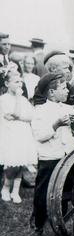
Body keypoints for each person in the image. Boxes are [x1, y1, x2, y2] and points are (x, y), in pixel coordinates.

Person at [24, 73, 74, 236]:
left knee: (62, 194)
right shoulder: (39, 111)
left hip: (67, 157)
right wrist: (56, 125)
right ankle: (37, 228)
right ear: (52, 93)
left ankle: (58, 227)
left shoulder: (68, 108)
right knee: (42, 195)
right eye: (63, 88)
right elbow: (40, 135)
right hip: (50, 158)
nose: (67, 90)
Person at [0, 70, 37, 203]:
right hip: (10, 135)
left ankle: (15, 191)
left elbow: (30, 117)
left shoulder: (23, 99)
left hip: (23, 133)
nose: (19, 84)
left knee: (21, 162)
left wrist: (19, 117)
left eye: (21, 81)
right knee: (12, 164)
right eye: (16, 82)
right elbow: (12, 114)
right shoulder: (3, 99)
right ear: (7, 83)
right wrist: (17, 100)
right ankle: (5, 187)